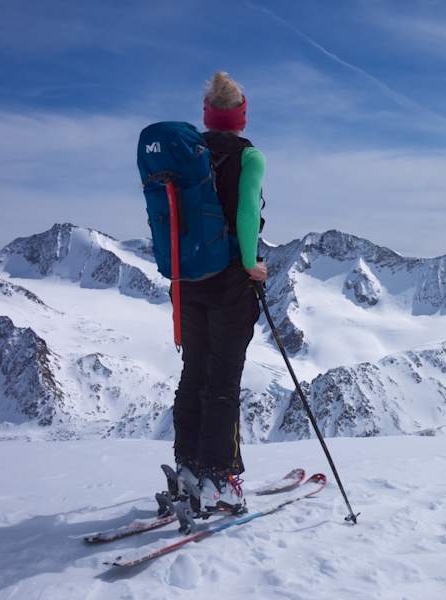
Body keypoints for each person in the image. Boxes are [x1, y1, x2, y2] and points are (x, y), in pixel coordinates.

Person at [172, 71, 267, 514]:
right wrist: (251, 264)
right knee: (223, 379)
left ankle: (188, 469)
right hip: (229, 281)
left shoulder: (186, 154)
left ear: (207, 115)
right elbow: (247, 215)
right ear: (241, 117)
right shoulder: (249, 157)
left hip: (187, 280)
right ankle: (220, 477)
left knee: (194, 372)